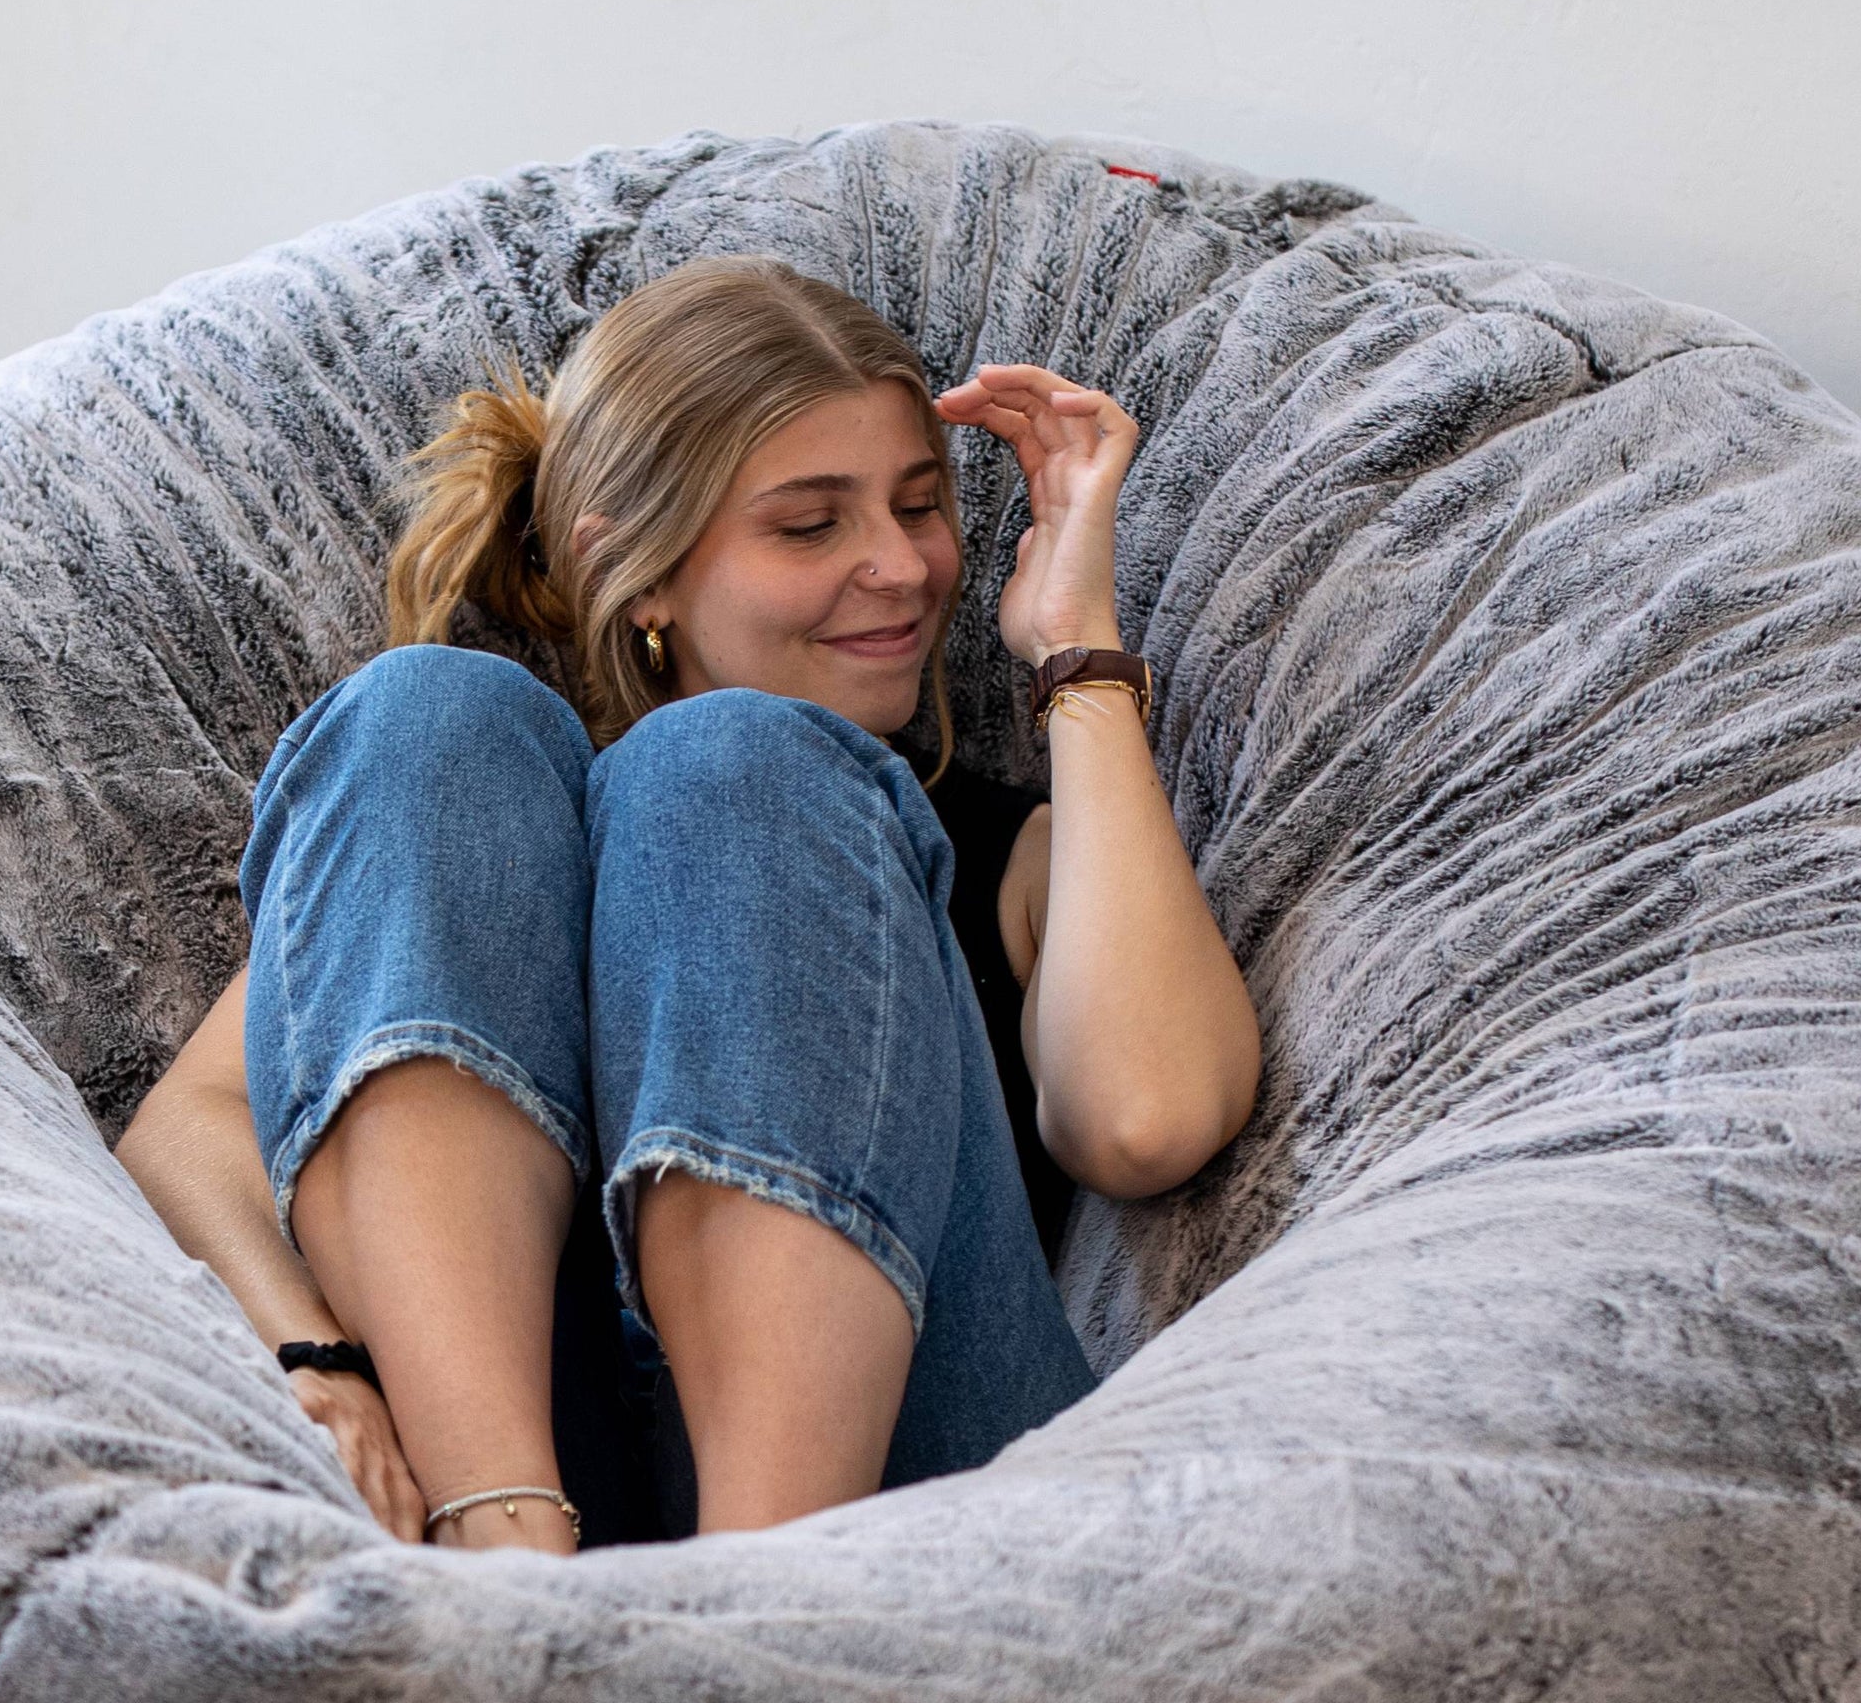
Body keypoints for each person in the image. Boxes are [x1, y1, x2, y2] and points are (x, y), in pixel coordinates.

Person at [113, 257, 1258, 1551]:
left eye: (919, 505)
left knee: (728, 764)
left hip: (901, 1525)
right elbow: (189, 1132)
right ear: (637, 568)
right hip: (541, 1504)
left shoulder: (1009, 848)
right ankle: (503, 1541)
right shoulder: (482, 831)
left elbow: (1148, 1120)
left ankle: (747, 1618)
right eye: (810, 525)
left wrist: (1077, 642)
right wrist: (313, 1361)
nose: (900, 566)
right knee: (419, 708)